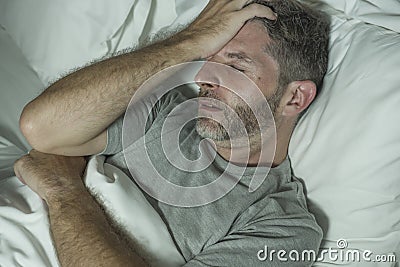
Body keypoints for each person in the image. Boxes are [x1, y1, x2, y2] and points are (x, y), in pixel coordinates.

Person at [14, 0, 330, 266]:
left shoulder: (282, 227)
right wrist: (189, 40)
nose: (204, 77)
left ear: (295, 97)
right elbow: (40, 127)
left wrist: (62, 189)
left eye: (236, 67)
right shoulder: (165, 109)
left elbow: (54, 168)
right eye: (207, 60)